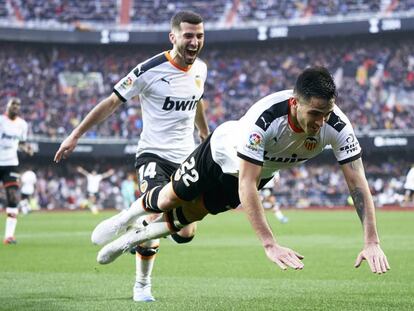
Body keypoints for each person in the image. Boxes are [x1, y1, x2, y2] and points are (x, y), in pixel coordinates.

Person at [92, 67, 390, 280]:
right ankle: (123, 219)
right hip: (221, 152)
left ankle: (129, 241)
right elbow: (246, 183)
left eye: (326, 114)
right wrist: (269, 243)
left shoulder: (337, 126)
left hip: (256, 172)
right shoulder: (265, 119)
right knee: (169, 199)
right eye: (314, 114)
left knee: (190, 218)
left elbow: (358, 184)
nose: (320, 122)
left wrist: (372, 240)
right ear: (294, 103)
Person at [54, 11, 209, 302]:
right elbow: (112, 101)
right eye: (188, 35)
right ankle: (142, 285)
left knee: (186, 232)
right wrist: (75, 135)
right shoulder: (149, 70)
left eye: (199, 35)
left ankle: (133, 226)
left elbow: (197, 101)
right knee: (155, 213)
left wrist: (204, 133)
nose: (195, 41)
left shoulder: (201, 68)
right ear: (173, 36)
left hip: (186, 157)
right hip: (154, 154)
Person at [1, 97, 33, 244]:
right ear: (7, 106)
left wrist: (26, 148)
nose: (16, 106)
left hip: (11, 163)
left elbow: (21, 142)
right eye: (13, 104)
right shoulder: (1, 121)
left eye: (18, 104)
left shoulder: (22, 124)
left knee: (13, 197)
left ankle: (9, 236)